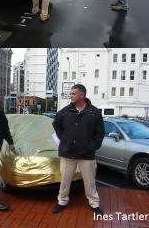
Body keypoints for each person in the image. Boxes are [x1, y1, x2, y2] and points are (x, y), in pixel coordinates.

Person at [52, 84, 105, 216]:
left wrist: (92, 146)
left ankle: (94, 204)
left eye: (74, 94)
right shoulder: (64, 111)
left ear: (82, 95)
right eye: (71, 93)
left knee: (90, 182)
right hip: (67, 153)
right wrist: (64, 139)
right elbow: (56, 124)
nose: (71, 95)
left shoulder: (94, 112)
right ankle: (62, 201)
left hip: (86, 154)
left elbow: (100, 133)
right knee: (64, 180)